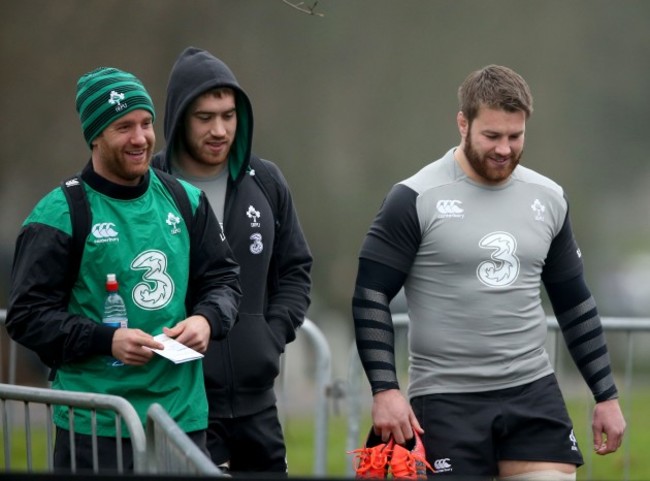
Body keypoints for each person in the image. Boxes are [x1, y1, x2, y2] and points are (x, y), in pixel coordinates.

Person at [351, 65, 626, 480]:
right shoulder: (414, 197)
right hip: (446, 400)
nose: (504, 149)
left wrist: (605, 395)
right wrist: (385, 390)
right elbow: (370, 294)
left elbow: (574, 302)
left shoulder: (549, 198)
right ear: (463, 124)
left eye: (515, 137)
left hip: (532, 392)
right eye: (492, 136)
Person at [6, 66, 242, 472]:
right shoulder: (59, 214)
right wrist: (105, 341)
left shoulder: (186, 201)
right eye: (123, 127)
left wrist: (207, 319)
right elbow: (27, 318)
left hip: (178, 420)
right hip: (94, 424)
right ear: (95, 136)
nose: (140, 138)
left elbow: (224, 280)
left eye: (146, 124)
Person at [152, 47, 312, 475]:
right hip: (182, 404)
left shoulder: (267, 181)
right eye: (205, 117)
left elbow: (296, 270)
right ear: (179, 118)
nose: (219, 129)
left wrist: (270, 334)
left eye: (228, 115)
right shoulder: (150, 189)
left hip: (259, 404)